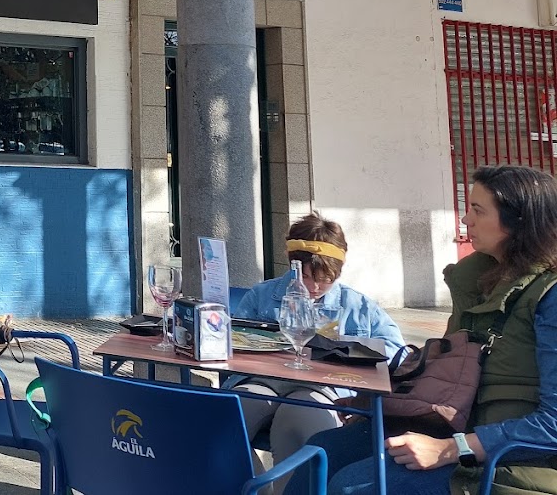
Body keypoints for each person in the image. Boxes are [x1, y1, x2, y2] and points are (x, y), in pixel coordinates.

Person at [303, 165, 557, 495]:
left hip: (515, 461)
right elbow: (451, 371)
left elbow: (552, 426)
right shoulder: (479, 282)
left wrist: (452, 448)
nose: (466, 220)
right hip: (458, 425)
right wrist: (382, 405)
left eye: (478, 210)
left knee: (351, 486)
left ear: (519, 220)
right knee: (321, 452)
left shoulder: (549, 295)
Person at [231, 213, 405, 474]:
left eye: (326, 278)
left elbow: (397, 353)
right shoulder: (262, 295)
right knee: (231, 415)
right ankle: (252, 487)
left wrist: (346, 354)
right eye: (306, 276)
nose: (314, 286)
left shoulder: (358, 306)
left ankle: (289, 490)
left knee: (300, 417)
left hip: (324, 387)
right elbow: (234, 341)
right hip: (263, 380)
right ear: (292, 263)